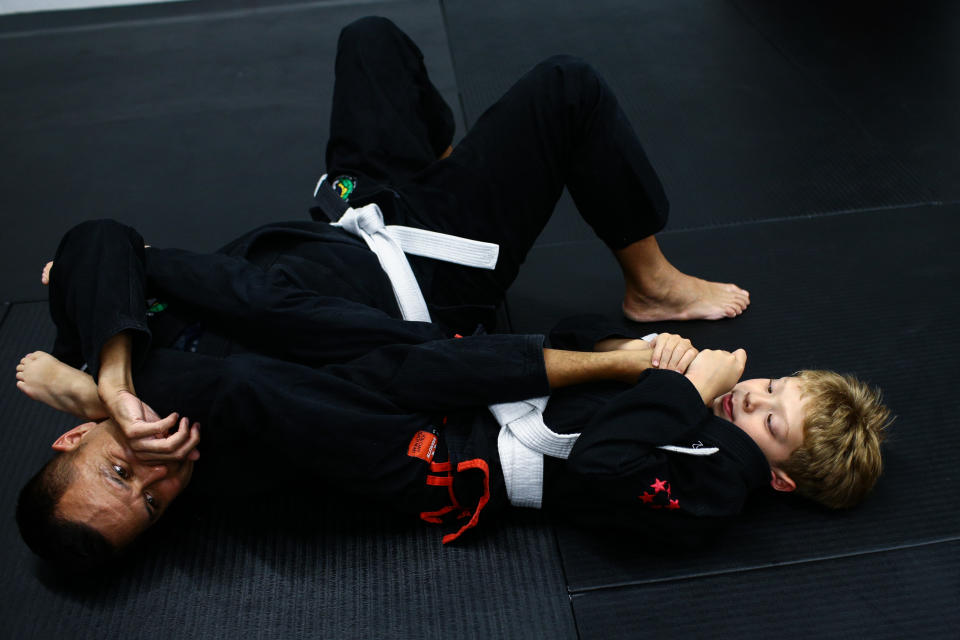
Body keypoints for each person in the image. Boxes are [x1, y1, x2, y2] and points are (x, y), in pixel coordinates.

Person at [15, 17, 888, 571]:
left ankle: (448, 176)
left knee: (372, 41)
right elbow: (308, 373)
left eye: (122, 468)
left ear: (76, 432)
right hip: (419, 275)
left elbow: (101, 242)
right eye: (154, 497)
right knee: (565, 89)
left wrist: (112, 366)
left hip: (351, 216)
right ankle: (652, 284)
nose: (156, 467)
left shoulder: (114, 341)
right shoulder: (217, 439)